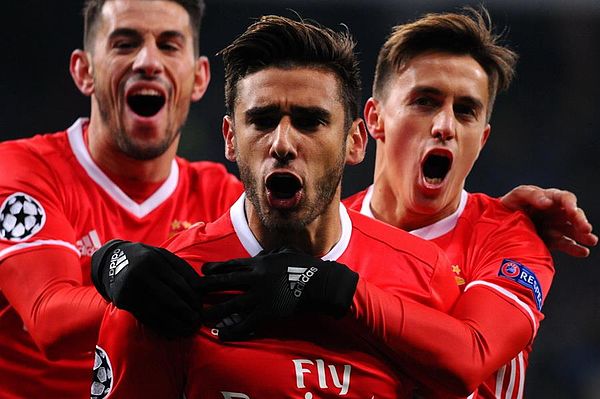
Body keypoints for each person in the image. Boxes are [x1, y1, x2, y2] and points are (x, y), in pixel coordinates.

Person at [92, 15, 464, 398]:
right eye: (263, 120)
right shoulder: (163, 290)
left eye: (310, 121)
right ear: (231, 138)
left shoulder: (422, 273)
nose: (282, 143)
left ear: (354, 141)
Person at [343, 7, 596, 397]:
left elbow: (469, 358)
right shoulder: (328, 232)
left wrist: (339, 291)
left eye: (465, 111)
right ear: (375, 119)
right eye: (425, 101)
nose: (445, 126)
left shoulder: (509, 237)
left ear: (481, 138)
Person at [0, 0, 243, 398]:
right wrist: (127, 284)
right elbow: (48, 319)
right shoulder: (22, 170)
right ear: (84, 71)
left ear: (199, 78)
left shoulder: (223, 196)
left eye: (169, 45)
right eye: (125, 43)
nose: (148, 61)